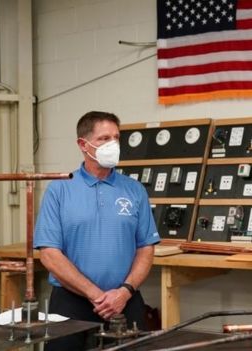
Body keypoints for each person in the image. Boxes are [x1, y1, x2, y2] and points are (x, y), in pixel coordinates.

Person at [34, 111, 160, 350]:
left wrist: (123, 292)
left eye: (116, 138)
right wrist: (96, 295)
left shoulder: (134, 190)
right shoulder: (60, 189)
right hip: (71, 302)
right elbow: (49, 254)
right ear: (83, 144)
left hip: (125, 301)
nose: (113, 145)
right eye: (104, 139)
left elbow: (146, 248)